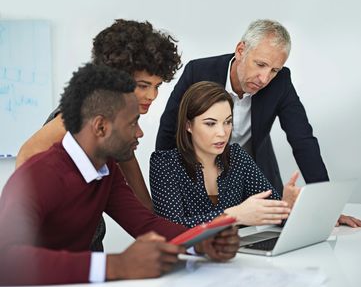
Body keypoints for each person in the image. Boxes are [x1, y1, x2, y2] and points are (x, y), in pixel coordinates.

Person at [0, 64, 239, 286]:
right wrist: (117, 265)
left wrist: (201, 243)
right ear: (101, 127)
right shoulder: (37, 177)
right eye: (132, 123)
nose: (140, 132)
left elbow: (145, 223)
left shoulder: (106, 170)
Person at [155, 19, 361, 228]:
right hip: (196, 174)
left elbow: (303, 140)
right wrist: (168, 181)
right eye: (261, 64)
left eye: (274, 70)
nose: (264, 78)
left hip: (246, 171)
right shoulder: (199, 71)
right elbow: (170, 127)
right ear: (240, 50)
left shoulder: (280, 83)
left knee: (259, 231)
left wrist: (325, 206)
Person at [15, 19, 183, 250]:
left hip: (89, 245)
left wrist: (158, 226)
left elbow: (137, 195)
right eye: (143, 86)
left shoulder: (117, 120)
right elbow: (27, 156)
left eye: (157, 86)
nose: (152, 95)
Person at [151, 81, 300, 227]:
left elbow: (271, 214)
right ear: (188, 125)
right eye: (210, 123)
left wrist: (286, 207)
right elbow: (171, 227)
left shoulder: (237, 157)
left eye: (227, 122)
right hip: (190, 252)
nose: (222, 133)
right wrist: (232, 216)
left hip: (238, 249)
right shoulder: (165, 164)